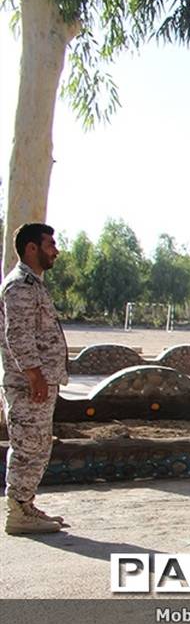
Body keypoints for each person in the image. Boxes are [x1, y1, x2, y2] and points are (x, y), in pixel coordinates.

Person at [2, 223, 69, 535]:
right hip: (27, 383)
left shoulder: (34, 284)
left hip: (38, 382)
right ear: (31, 248)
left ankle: (25, 504)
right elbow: (18, 335)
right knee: (28, 446)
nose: (55, 250)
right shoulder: (20, 286)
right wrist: (34, 374)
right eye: (49, 244)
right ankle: (17, 511)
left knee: (37, 445)